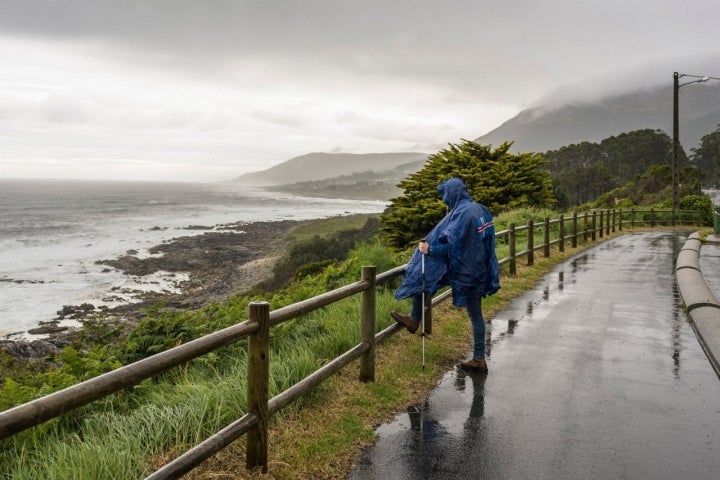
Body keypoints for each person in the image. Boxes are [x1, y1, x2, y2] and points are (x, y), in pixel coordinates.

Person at [392, 176, 500, 372]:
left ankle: (478, 359)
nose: (444, 200)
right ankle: (415, 319)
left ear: (453, 193)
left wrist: (429, 249)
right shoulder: (480, 209)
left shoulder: (462, 214)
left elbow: (451, 243)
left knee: (427, 278)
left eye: (445, 194)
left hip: (466, 270)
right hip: (479, 267)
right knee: (431, 283)